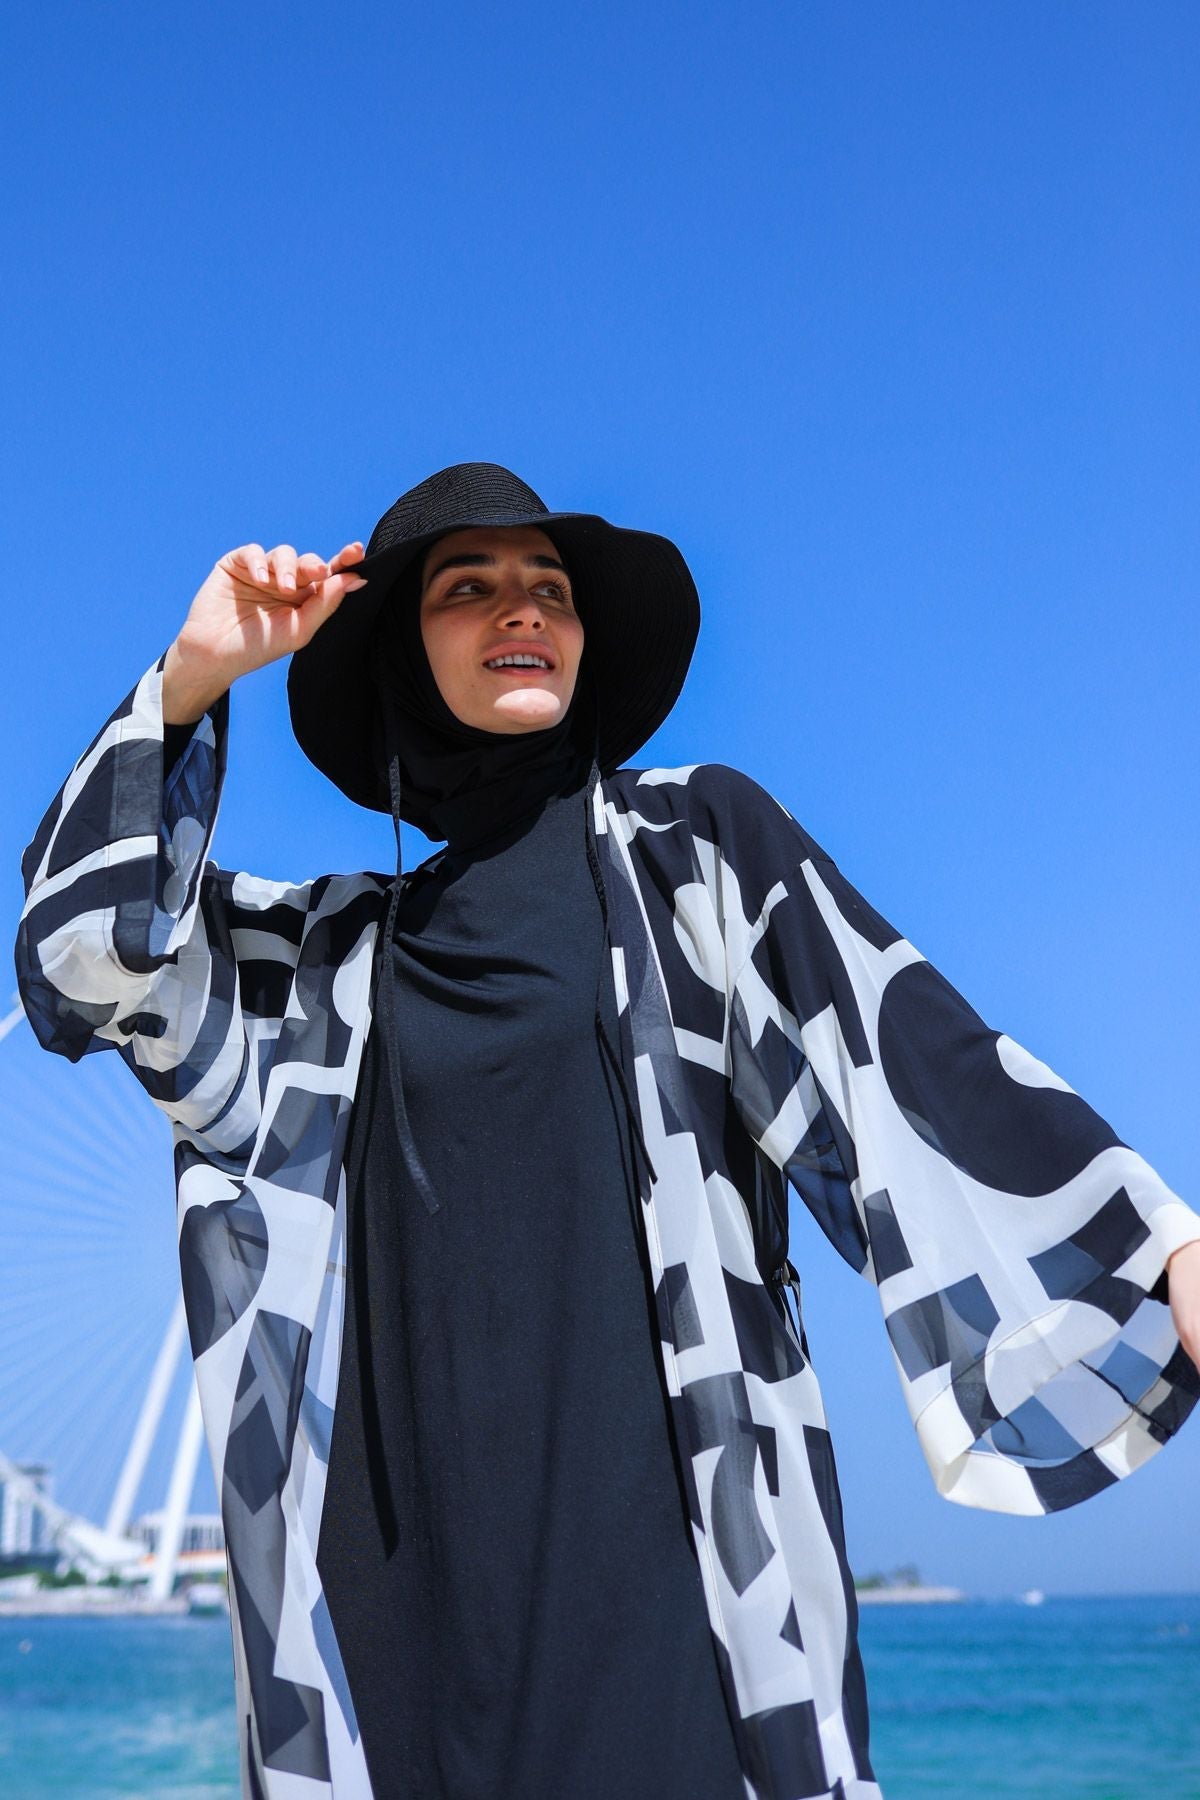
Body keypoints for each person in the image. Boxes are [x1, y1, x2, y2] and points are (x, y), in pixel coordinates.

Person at [15, 461, 1200, 1800]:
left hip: (676, 1599)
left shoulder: (695, 856)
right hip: (390, 1632)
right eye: (467, 588)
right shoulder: (316, 969)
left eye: (550, 588)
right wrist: (192, 676)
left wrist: (1160, 1249)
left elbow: (913, 1057)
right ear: (404, 655)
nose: (521, 609)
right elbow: (77, 967)